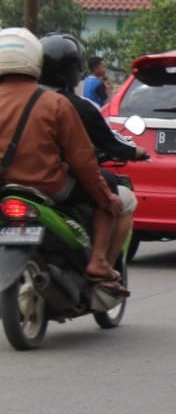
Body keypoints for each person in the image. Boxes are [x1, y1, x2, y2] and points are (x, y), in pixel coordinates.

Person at [0, 28, 126, 293]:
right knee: (108, 189)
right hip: (49, 187)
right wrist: (106, 197)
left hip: (4, 189)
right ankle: (99, 261)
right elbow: (83, 162)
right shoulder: (54, 103)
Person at [40, 33, 145, 274]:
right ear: (73, 70)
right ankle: (99, 261)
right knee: (110, 194)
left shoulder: (13, 99)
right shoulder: (68, 106)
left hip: (12, 180)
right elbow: (86, 155)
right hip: (51, 179)